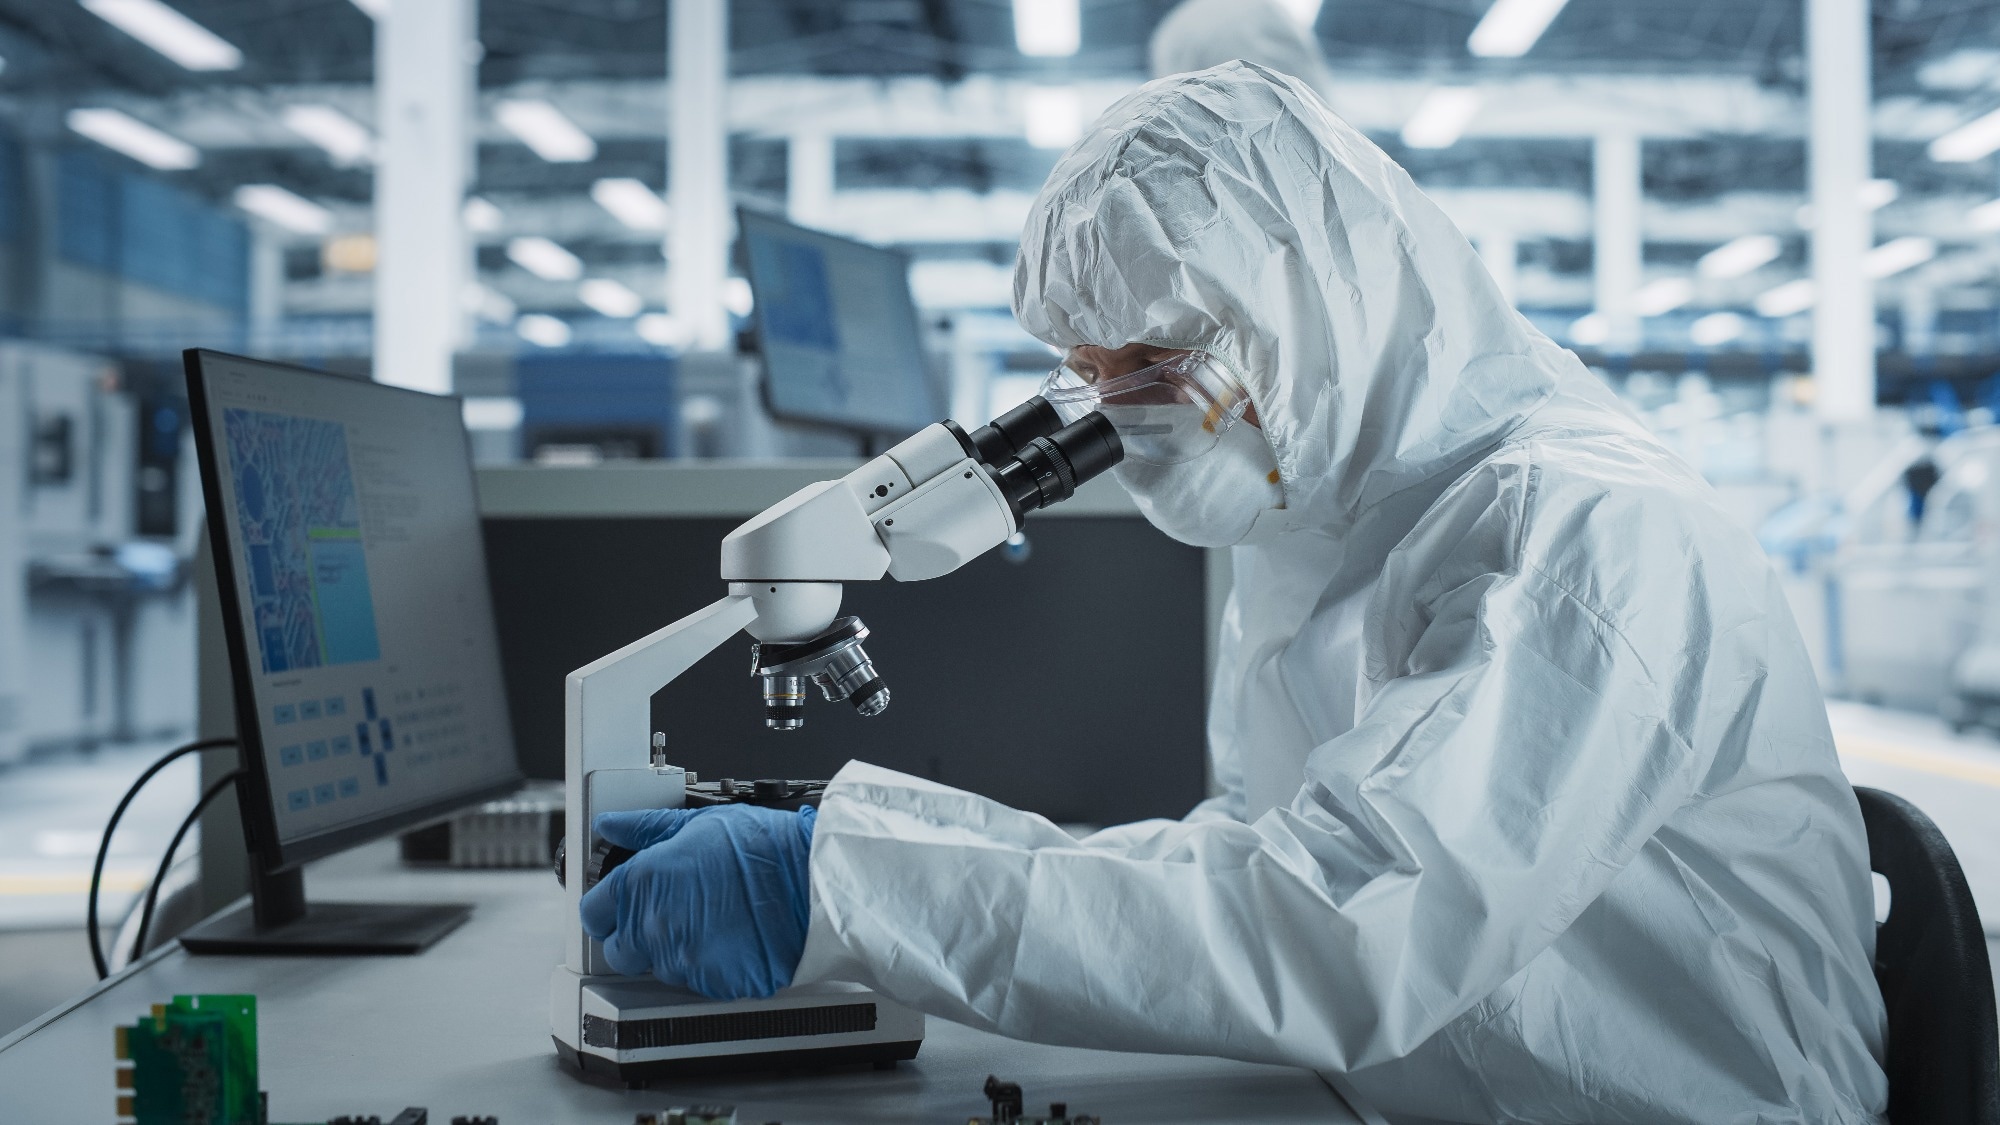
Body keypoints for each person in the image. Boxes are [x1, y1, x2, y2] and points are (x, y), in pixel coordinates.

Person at [581, 63, 1889, 1124]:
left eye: (1154, 358)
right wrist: (863, 848)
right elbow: (1265, 846)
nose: (1122, 409)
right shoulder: (1312, 512)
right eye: (1088, 367)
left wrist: (849, 888)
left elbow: (1343, 928)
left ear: (1317, 308)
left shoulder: (1588, 535)